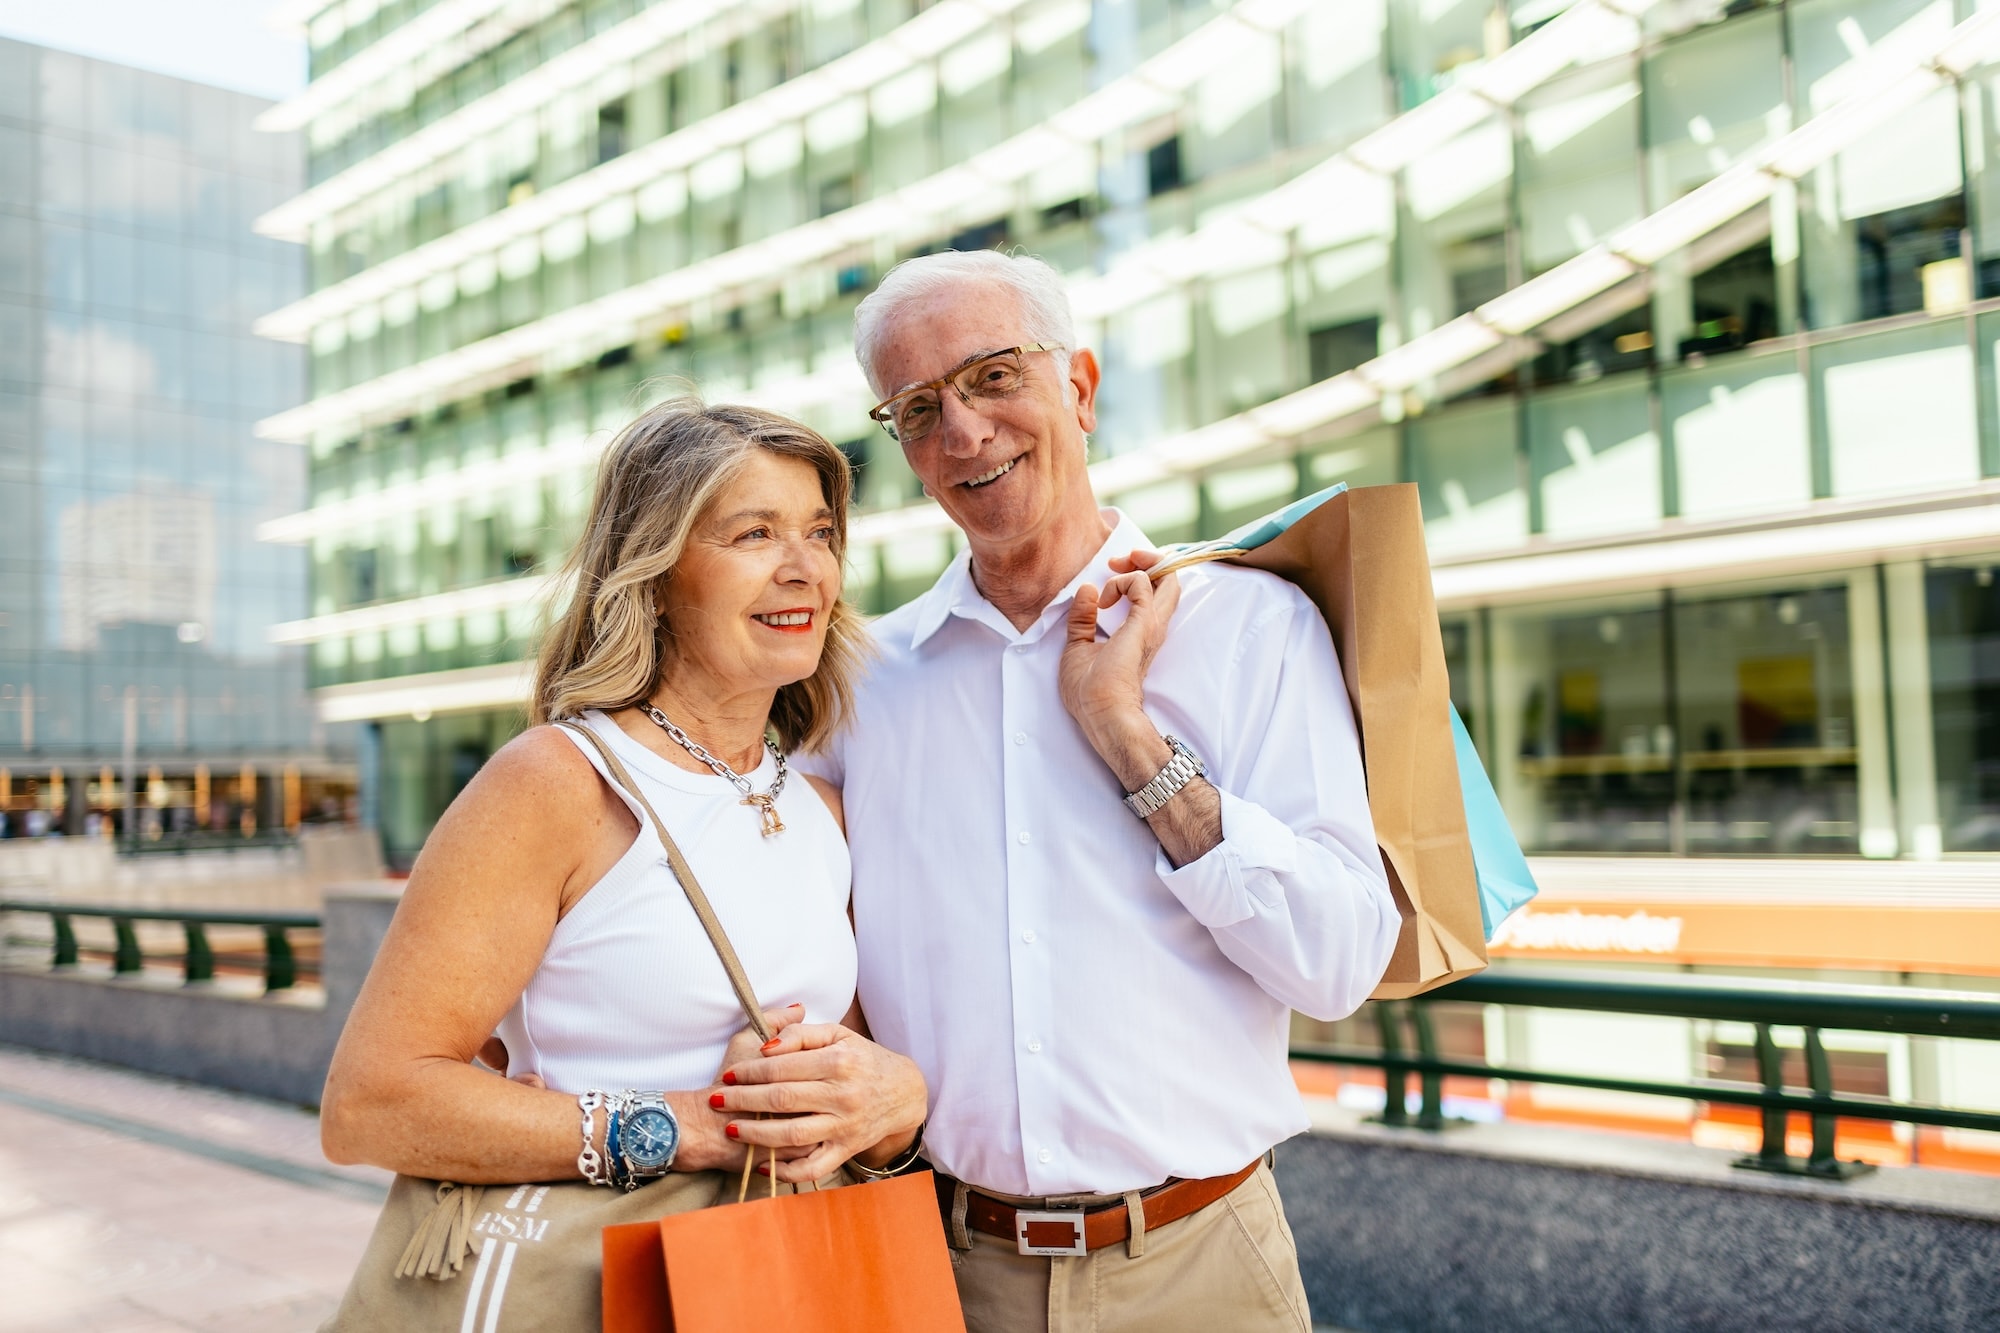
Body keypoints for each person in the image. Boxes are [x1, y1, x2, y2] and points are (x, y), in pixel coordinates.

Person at [798, 250, 1400, 1333]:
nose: (962, 433)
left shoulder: (1251, 627)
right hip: (941, 1268)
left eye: (991, 377)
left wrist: (1127, 737)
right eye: (917, 407)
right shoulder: (862, 685)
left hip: (1200, 1266)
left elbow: (1339, 964)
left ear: (1077, 388)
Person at [319, 400, 928, 1263]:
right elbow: (369, 1105)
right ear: (657, 573)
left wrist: (890, 1097)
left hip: (779, 1283)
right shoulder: (559, 782)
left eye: (820, 533)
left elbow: (850, 1080)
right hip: (593, 1281)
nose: (804, 569)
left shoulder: (820, 806)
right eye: (754, 534)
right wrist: (683, 1125)